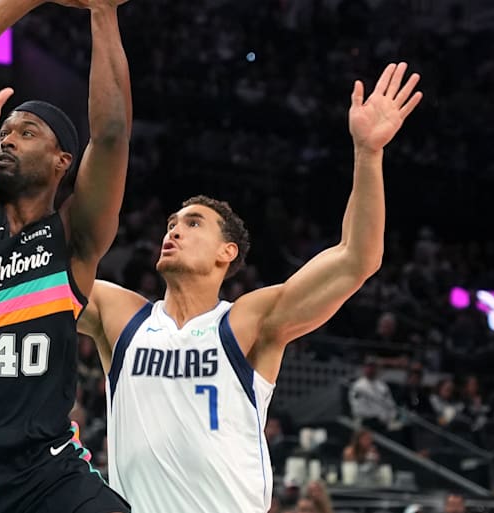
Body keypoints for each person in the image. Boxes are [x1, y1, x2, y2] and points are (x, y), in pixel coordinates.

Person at [77, 63, 422, 512]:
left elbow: (358, 259)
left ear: (227, 252)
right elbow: (30, 280)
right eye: (172, 223)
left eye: (193, 223)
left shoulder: (246, 322)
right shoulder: (120, 315)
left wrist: (368, 154)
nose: (174, 230)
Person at [0, 0, 132, 510]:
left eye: (26, 132)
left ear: (62, 161)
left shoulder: (73, 238)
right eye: (5, 132)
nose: (7, 140)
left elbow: (111, 135)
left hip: (45, 470)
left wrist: (103, 11)